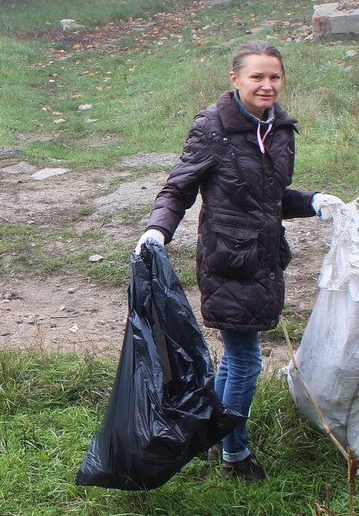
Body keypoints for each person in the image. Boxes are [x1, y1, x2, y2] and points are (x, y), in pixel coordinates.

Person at [134, 41, 342, 480]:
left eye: (275, 77)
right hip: (228, 260)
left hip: (265, 259)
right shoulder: (212, 128)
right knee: (246, 359)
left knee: (235, 356)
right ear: (235, 79)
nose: (267, 85)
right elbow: (178, 188)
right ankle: (235, 456)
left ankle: (215, 439)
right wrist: (158, 229)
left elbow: (269, 198)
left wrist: (314, 202)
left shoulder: (280, 129)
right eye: (257, 77)